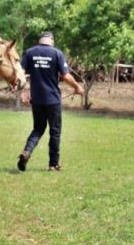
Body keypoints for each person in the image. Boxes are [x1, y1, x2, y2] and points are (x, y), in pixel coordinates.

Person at [17, 31, 84, 172]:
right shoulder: (57, 53)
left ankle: (27, 152)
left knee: (38, 129)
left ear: (39, 40)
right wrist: (77, 86)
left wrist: (23, 92)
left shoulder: (29, 53)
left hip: (36, 100)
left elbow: (20, 74)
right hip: (52, 99)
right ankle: (53, 164)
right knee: (55, 131)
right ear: (51, 41)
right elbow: (65, 76)